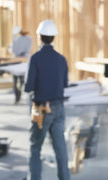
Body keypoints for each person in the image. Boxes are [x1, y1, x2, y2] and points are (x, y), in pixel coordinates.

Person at [24, 20, 70, 180]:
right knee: (60, 148)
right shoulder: (61, 59)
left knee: (35, 147)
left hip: (40, 108)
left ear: (40, 37)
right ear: (53, 38)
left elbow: (28, 87)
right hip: (59, 107)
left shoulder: (35, 58)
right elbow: (65, 84)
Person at [11, 26, 32, 103]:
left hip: (17, 61)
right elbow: (29, 49)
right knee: (24, 79)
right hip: (24, 61)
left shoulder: (15, 40)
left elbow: (13, 50)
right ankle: (25, 95)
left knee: (16, 80)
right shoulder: (29, 39)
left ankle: (17, 97)